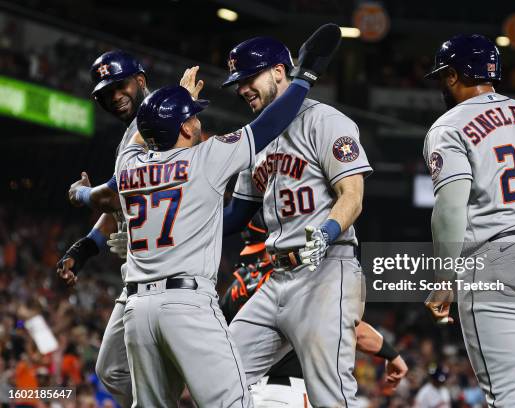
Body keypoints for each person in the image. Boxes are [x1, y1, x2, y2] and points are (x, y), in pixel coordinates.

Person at [114, 24, 342, 407]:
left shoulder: (127, 167)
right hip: (186, 304)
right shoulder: (206, 158)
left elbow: (138, 136)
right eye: (193, 117)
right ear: (186, 126)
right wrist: (306, 76)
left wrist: (84, 192)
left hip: (137, 312)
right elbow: (267, 125)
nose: (199, 122)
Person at [421, 34, 515, 407]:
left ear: (454, 75)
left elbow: (451, 208)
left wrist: (444, 279)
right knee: (514, 389)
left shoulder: (449, 125)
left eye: (444, 76)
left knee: (507, 396)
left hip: (497, 263)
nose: (442, 84)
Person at [221, 33, 373, 407]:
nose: (242, 89)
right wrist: (171, 231)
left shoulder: (325, 121)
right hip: (277, 278)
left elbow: (352, 196)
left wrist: (326, 231)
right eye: (237, 83)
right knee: (218, 376)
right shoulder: (257, 139)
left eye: (248, 78)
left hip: (326, 271)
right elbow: (233, 218)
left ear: (278, 72)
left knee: (331, 397)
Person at [220, 213, 408, 407]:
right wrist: (392, 354)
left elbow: (221, 341)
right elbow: (352, 332)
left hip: (246, 392)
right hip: (287, 394)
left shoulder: (236, 287)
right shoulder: (295, 281)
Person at [56, 49, 151, 407]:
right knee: (112, 369)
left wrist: (80, 193)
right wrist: (83, 250)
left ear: (140, 81)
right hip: (139, 276)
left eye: (120, 86)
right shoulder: (131, 135)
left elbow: (111, 196)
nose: (115, 97)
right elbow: (119, 204)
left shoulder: (156, 121)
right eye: (106, 93)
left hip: (170, 272)